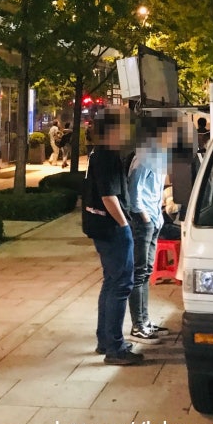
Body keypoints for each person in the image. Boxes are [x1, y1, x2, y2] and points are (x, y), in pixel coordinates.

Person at [82, 112, 144, 366]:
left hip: (100, 226)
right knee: (121, 285)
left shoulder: (98, 153)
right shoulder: (107, 155)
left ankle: (106, 341)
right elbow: (109, 196)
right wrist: (124, 225)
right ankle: (115, 348)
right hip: (111, 228)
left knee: (111, 282)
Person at [127, 115, 176, 341]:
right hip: (143, 221)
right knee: (139, 273)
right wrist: (145, 217)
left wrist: (158, 216)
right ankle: (138, 324)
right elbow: (134, 191)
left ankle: (145, 321)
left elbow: (156, 190)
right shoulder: (144, 158)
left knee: (146, 271)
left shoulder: (159, 157)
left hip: (154, 219)